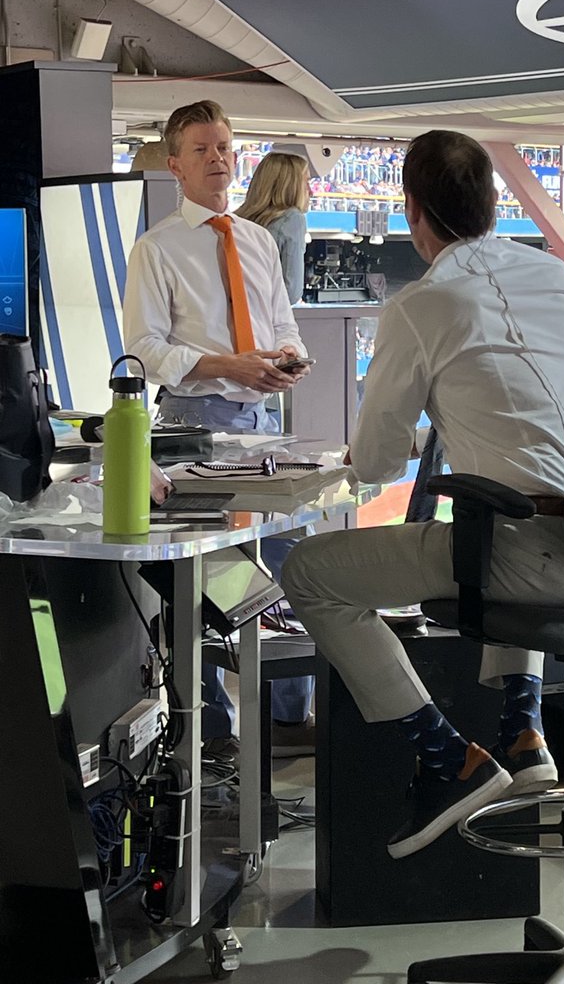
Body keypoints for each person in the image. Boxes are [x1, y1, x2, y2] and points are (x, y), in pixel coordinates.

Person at [280, 129, 564, 860]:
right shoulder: (561, 279)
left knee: (310, 574)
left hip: (543, 562)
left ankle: (449, 760)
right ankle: (521, 731)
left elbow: (379, 463)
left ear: (413, 211)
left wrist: (369, 452)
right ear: (492, 204)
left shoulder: (419, 307)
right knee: (493, 514)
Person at [123, 99, 314, 757]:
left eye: (226, 147)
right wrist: (225, 364)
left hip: (263, 421)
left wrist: (289, 359)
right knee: (200, 582)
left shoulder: (258, 240)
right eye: (202, 149)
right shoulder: (157, 249)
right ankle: (211, 731)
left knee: (294, 564)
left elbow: (282, 322)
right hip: (192, 424)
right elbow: (144, 349)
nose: (218, 159)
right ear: (176, 165)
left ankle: (291, 718)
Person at [235, 150, 317, 750]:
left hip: (225, 390)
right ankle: (291, 714)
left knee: (226, 566)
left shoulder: (240, 227)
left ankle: (219, 725)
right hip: (260, 394)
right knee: (289, 546)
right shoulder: (288, 225)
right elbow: (288, 302)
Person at [236, 152, 310, 305]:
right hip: (264, 321)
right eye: (306, 182)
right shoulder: (292, 219)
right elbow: (291, 292)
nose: (311, 191)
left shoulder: (237, 221)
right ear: (291, 186)